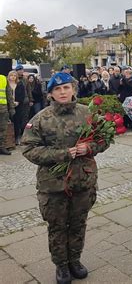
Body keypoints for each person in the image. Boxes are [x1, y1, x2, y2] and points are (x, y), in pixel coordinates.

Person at [21, 72, 109, 284]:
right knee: (57, 226)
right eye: (57, 89)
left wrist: (89, 147)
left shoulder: (87, 114)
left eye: (66, 88)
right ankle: (61, 266)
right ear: (50, 93)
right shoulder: (41, 119)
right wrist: (62, 154)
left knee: (78, 223)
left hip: (82, 180)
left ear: (73, 90)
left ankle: (75, 261)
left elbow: (104, 139)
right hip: (53, 185)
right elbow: (28, 149)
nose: (62, 92)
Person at [0, 73, 15, 155]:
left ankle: (1, 147)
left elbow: (9, 94)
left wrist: (12, 107)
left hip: (3, 109)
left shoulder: (3, 78)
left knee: (3, 129)